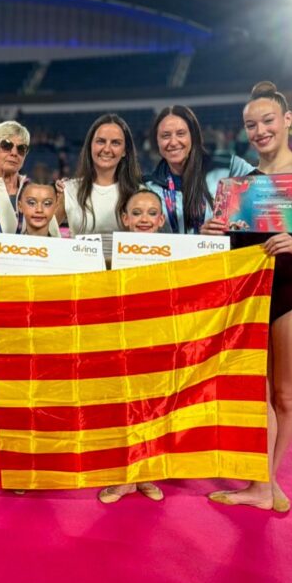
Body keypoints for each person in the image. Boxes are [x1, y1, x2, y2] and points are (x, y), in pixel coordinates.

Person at [204, 83, 292, 511]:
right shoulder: (244, 184)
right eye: (251, 124)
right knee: (256, 394)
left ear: (287, 121)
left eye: (268, 120)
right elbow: (237, 251)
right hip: (254, 298)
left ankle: (266, 482)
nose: (260, 130)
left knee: (286, 395)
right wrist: (216, 232)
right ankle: (263, 485)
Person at [145, 103, 292, 235]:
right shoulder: (148, 187)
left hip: (223, 273)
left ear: (194, 137)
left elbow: (279, 197)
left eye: (181, 133)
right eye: (165, 135)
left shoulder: (228, 167)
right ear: (156, 141)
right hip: (176, 276)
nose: (173, 142)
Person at [98, 188, 167, 504]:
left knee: (154, 405)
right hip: (123, 338)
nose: (144, 219)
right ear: (124, 218)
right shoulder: (109, 256)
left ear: (161, 219)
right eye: (136, 213)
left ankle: (146, 473)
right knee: (124, 405)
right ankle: (124, 475)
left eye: (151, 213)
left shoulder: (179, 253)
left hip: (160, 338)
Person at [0, 121, 60, 275]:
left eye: (21, 149)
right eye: (6, 146)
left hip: (35, 289)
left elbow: (56, 247)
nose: (14, 152)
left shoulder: (40, 196)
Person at [55, 114, 141, 261]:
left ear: (125, 151)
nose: (107, 149)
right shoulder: (68, 190)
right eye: (101, 141)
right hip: (81, 277)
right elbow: (43, 235)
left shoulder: (140, 193)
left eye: (115, 143)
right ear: (90, 146)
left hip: (125, 279)